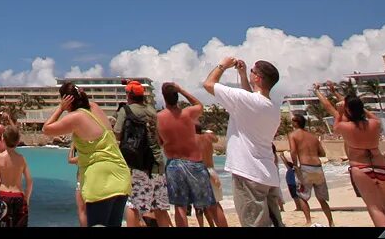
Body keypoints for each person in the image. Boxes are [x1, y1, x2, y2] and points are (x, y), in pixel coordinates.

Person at [202, 56, 282, 227]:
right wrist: (244, 75)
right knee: (274, 222)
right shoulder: (273, 108)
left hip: (248, 172)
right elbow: (250, 99)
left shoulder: (248, 101)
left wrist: (222, 65)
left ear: (258, 78)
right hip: (267, 173)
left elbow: (208, 84)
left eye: (253, 71)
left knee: (253, 223)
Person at [315, 82, 385, 228]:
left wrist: (319, 92)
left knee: (375, 208)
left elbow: (330, 112)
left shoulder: (344, 125)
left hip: (361, 168)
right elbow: (362, 110)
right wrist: (341, 96)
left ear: (347, 110)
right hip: (381, 166)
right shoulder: (375, 123)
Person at [42, 82, 131, 226]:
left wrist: (60, 108)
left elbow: (46, 129)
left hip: (100, 179)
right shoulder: (94, 107)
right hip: (120, 175)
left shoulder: (76, 117)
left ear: (66, 101)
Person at [159, 82, 226, 228]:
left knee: (180, 206)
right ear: (176, 96)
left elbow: (159, 141)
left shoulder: (159, 118)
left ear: (164, 98)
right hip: (194, 162)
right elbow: (199, 104)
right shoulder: (188, 114)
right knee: (212, 204)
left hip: (174, 163)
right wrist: (182, 89)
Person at [112, 80, 170, 226]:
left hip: (137, 165)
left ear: (129, 95)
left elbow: (117, 134)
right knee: (160, 207)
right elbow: (159, 137)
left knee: (133, 205)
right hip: (157, 163)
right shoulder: (152, 111)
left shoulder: (126, 110)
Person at [288, 112, 334, 226]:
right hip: (317, 168)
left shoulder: (293, 135)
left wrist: (295, 165)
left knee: (302, 196)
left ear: (296, 123)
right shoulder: (313, 137)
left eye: (292, 121)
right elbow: (322, 153)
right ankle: (331, 222)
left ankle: (308, 221)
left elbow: (293, 151)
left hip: (305, 167)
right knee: (322, 199)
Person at [0, 125, 33, 227]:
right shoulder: (21, 159)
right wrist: (26, 199)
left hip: (3, 196)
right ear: (18, 141)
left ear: (3, 140)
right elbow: (29, 181)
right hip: (19, 197)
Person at [280, 149, 310, 224]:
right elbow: (284, 161)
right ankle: (298, 207)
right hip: (291, 182)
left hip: (294, 183)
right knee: (295, 196)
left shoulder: (295, 168)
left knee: (296, 196)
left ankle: (299, 207)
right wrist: (282, 155)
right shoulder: (291, 168)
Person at [67, 143, 87, 228]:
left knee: (81, 211)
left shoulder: (82, 157)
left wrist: (72, 148)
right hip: (93, 185)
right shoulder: (93, 156)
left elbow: (70, 160)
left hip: (81, 185)